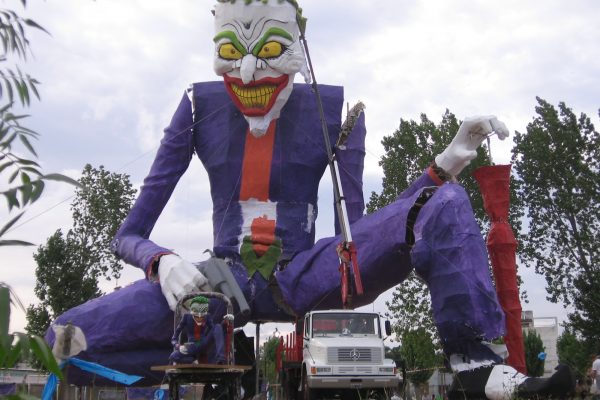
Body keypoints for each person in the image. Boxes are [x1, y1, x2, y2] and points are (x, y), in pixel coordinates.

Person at [47, 1, 573, 398]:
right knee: (61, 342)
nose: (247, 72)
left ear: (299, 43)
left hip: (304, 272)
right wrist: (162, 262)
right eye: (230, 52)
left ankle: (475, 364)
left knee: (447, 200)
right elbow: (128, 235)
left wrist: (441, 168)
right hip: (220, 282)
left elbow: (360, 236)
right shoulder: (197, 106)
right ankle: (212, 352)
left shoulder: (334, 113)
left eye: (270, 49)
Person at [168, 296, 225, 365]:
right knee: (173, 356)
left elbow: (213, 329)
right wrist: (178, 346)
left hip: (203, 342)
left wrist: (223, 324)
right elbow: (174, 338)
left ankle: (221, 358)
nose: (199, 317)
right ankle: (193, 361)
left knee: (217, 326)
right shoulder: (186, 318)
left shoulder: (207, 316)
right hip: (192, 345)